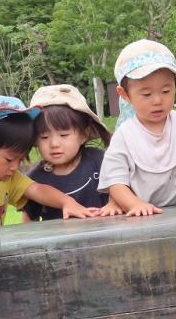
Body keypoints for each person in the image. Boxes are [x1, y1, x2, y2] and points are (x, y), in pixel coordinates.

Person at [97, 40, 176, 217]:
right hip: (142, 218)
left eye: (166, 91)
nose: (157, 101)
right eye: (146, 94)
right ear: (125, 94)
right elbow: (115, 182)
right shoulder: (124, 136)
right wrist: (135, 204)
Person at [0, 95, 101, 225]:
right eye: (9, 159)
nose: (15, 167)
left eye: (20, 160)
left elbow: (38, 190)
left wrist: (66, 202)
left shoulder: (10, 178)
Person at [23, 84, 114, 222]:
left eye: (64, 135)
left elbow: (122, 187)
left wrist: (115, 202)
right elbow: (28, 220)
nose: (54, 144)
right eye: (44, 137)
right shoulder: (34, 179)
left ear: (84, 134)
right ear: (35, 139)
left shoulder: (99, 160)